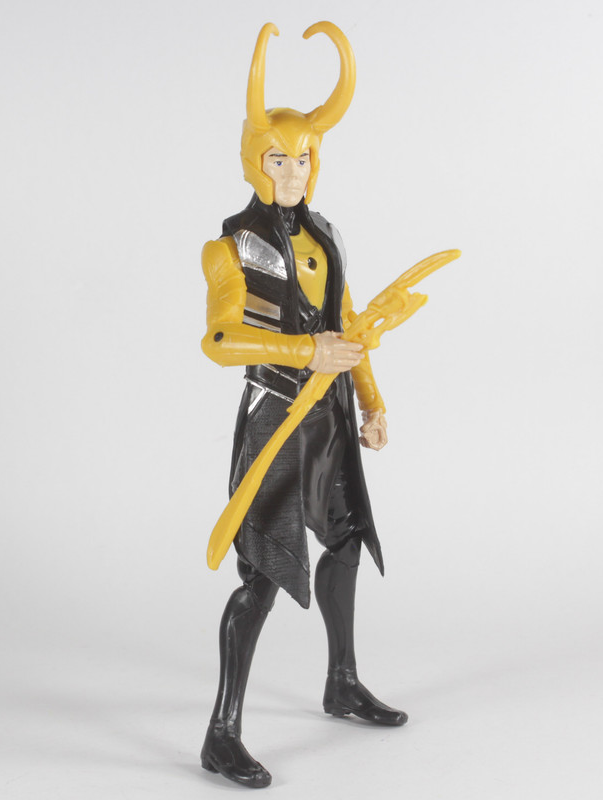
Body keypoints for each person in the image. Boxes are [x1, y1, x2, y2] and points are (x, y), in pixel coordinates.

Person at [200, 22, 407, 789]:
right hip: (275, 419)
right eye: (279, 158)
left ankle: (341, 681)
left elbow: (350, 327)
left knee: (345, 543)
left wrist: (372, 401)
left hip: (331, 420)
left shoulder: (326, 237)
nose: (293, 171)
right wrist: (301, 353)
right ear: (254, 161)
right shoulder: (230, 249)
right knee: (260, 576)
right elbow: (220, 340)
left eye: (305, 157)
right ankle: (221, 733)